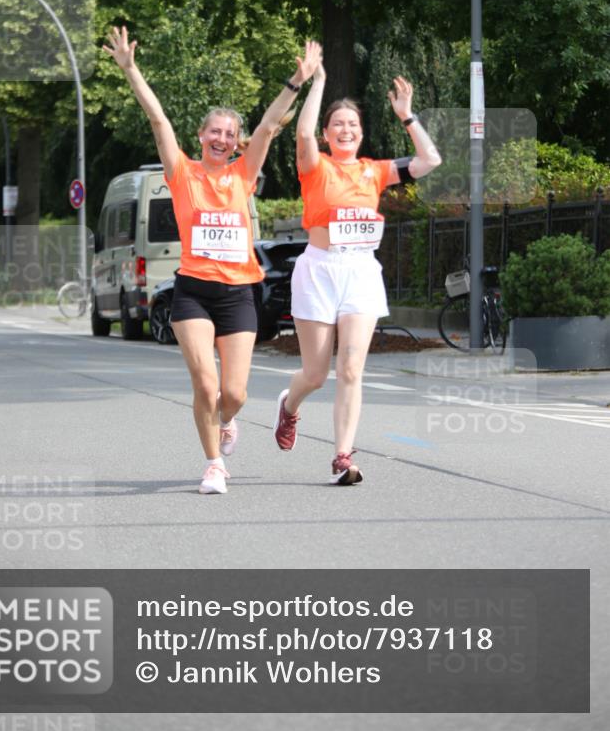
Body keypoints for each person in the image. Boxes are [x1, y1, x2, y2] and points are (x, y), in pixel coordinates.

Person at [103, 27, 320, 494]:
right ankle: (214, 465)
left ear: (237, 143)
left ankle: (227, 420)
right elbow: (159, 121)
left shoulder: (243, 173)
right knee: (205, 384)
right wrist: (130, 69)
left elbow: (267, 126)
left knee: (235, 393)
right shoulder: (183, 173)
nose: (221, 139)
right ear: (201, 136)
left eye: (229, 134)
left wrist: (295, 82)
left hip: (238, 293)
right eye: (214, 132)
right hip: (193, 292)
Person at [273, 56, 442, 484]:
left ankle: (343, 457)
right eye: (338, 125)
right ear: (328, 134)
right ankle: (289, 406)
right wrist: (317, 83)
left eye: (353, 124)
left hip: (361, 273)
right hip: (318, 271)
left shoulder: (375, 171)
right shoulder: (315, 166)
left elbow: (431, 160)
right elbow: (302, 132)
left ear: (361, 132)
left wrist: (407, 116)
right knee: (315, 373)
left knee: (350, 370)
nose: (346, 130)